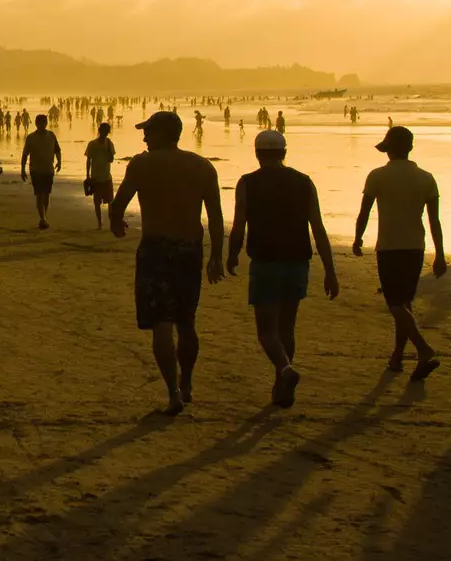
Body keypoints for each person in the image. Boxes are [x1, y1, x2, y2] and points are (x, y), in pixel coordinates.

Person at [111, 110, 224, 416]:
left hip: (156, 249)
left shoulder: (142, 164)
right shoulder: (202, 167)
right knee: (186, 321)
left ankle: (173, 392)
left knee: (162, 323)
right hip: (190, 249)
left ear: (162, 134)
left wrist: (116, 222)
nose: (144, 137)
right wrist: (216, 255)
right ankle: (186, 382)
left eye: (148, 131)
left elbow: (119, 204)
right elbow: (215, 215)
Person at [227, 129, 338, 407]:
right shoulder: (304, 182)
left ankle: (286, 371)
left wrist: (231, 254)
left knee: (266, 332)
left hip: (266, 261)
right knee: (287, 328)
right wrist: (330, 269)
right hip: (298, 261)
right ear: (284, 153)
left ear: (257, 153)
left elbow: (239, 224)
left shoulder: (248, 183)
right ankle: (281, 384)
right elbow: (318, 228)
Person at [353, 125, 445, 379]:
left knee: (395, 305)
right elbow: (434, 221)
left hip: (390, 247)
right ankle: (397, 357)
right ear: (410, 148)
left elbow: (365, 211)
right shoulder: (426, 178)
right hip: (416, 247)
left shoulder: (377, 176)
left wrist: (358, 237)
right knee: (404, 305)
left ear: (389, 150)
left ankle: (424, 349)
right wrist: (440, 254)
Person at [20, 113, 64, 229]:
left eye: (45, 122)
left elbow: (57, 150)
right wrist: (22, 169)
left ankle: (44, 216)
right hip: (36, 170)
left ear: (46, 123)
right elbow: (25, 155)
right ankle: (43, 218)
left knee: (46, 195)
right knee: (39, 194)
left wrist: (59, 162)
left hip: (49, 169)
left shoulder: (51, 135)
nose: (43, 124)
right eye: (40, 122)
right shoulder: (31, 138)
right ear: (36, 124)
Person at [85, 120, 117, 228]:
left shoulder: (109, 143)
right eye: (103, 131)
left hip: (107, 176)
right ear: (99, 131)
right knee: (97, 202)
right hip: (95, 177)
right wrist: (87, 175)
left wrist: (109, 152)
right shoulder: (92, 144)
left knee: (110, 202)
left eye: (107, 132)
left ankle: (111, 220)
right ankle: (99, 222)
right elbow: (88, 160)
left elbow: (111, 159)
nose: (105, 134)